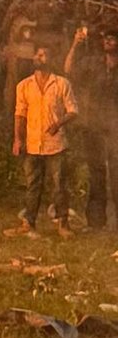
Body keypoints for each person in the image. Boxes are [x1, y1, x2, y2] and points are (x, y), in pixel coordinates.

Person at [12, 43, 78, 236]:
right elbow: (19, 114)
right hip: (33, 143)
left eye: (44, 55)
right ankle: (28, 223)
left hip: (55, 144)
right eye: (37, 55)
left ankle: (63, 224)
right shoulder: (24, 85)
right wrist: (17, 139)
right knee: (32, 185)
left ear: (52, 59)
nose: (39, 58)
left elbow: (73, 111)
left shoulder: (62, 84)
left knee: (59, 186)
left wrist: (58, 124)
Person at [66, 23, 118, 231]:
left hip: (116, 126)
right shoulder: (94, 63)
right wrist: (76, 44)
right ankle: (96, 223)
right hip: (95, 125)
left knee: (117, 174)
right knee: (96, 173)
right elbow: (69, 69)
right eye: (106, 37)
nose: (108, 41)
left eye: (113, 38)